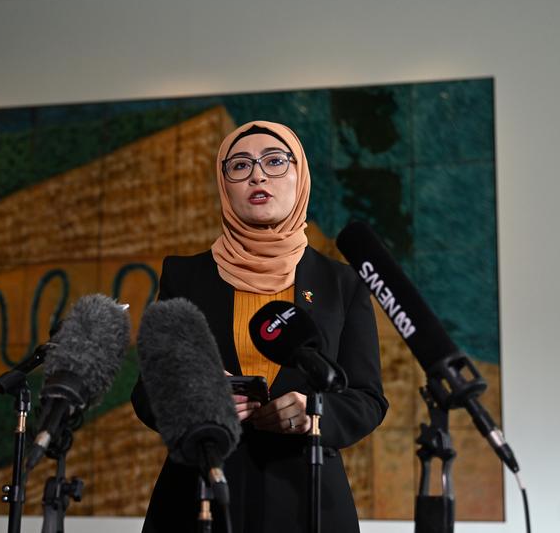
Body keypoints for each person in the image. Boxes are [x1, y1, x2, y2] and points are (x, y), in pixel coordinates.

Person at [131, 120, 387, 533]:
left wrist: (314, 414)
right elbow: (148, 390)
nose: (257, 175)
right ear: (225, 184)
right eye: (240, 165)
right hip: (200, 496)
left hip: (308, 497)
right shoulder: (186, 276)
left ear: (300, 176)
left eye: (274, 161)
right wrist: (197, 401)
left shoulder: (342, 283)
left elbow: (367, 398)